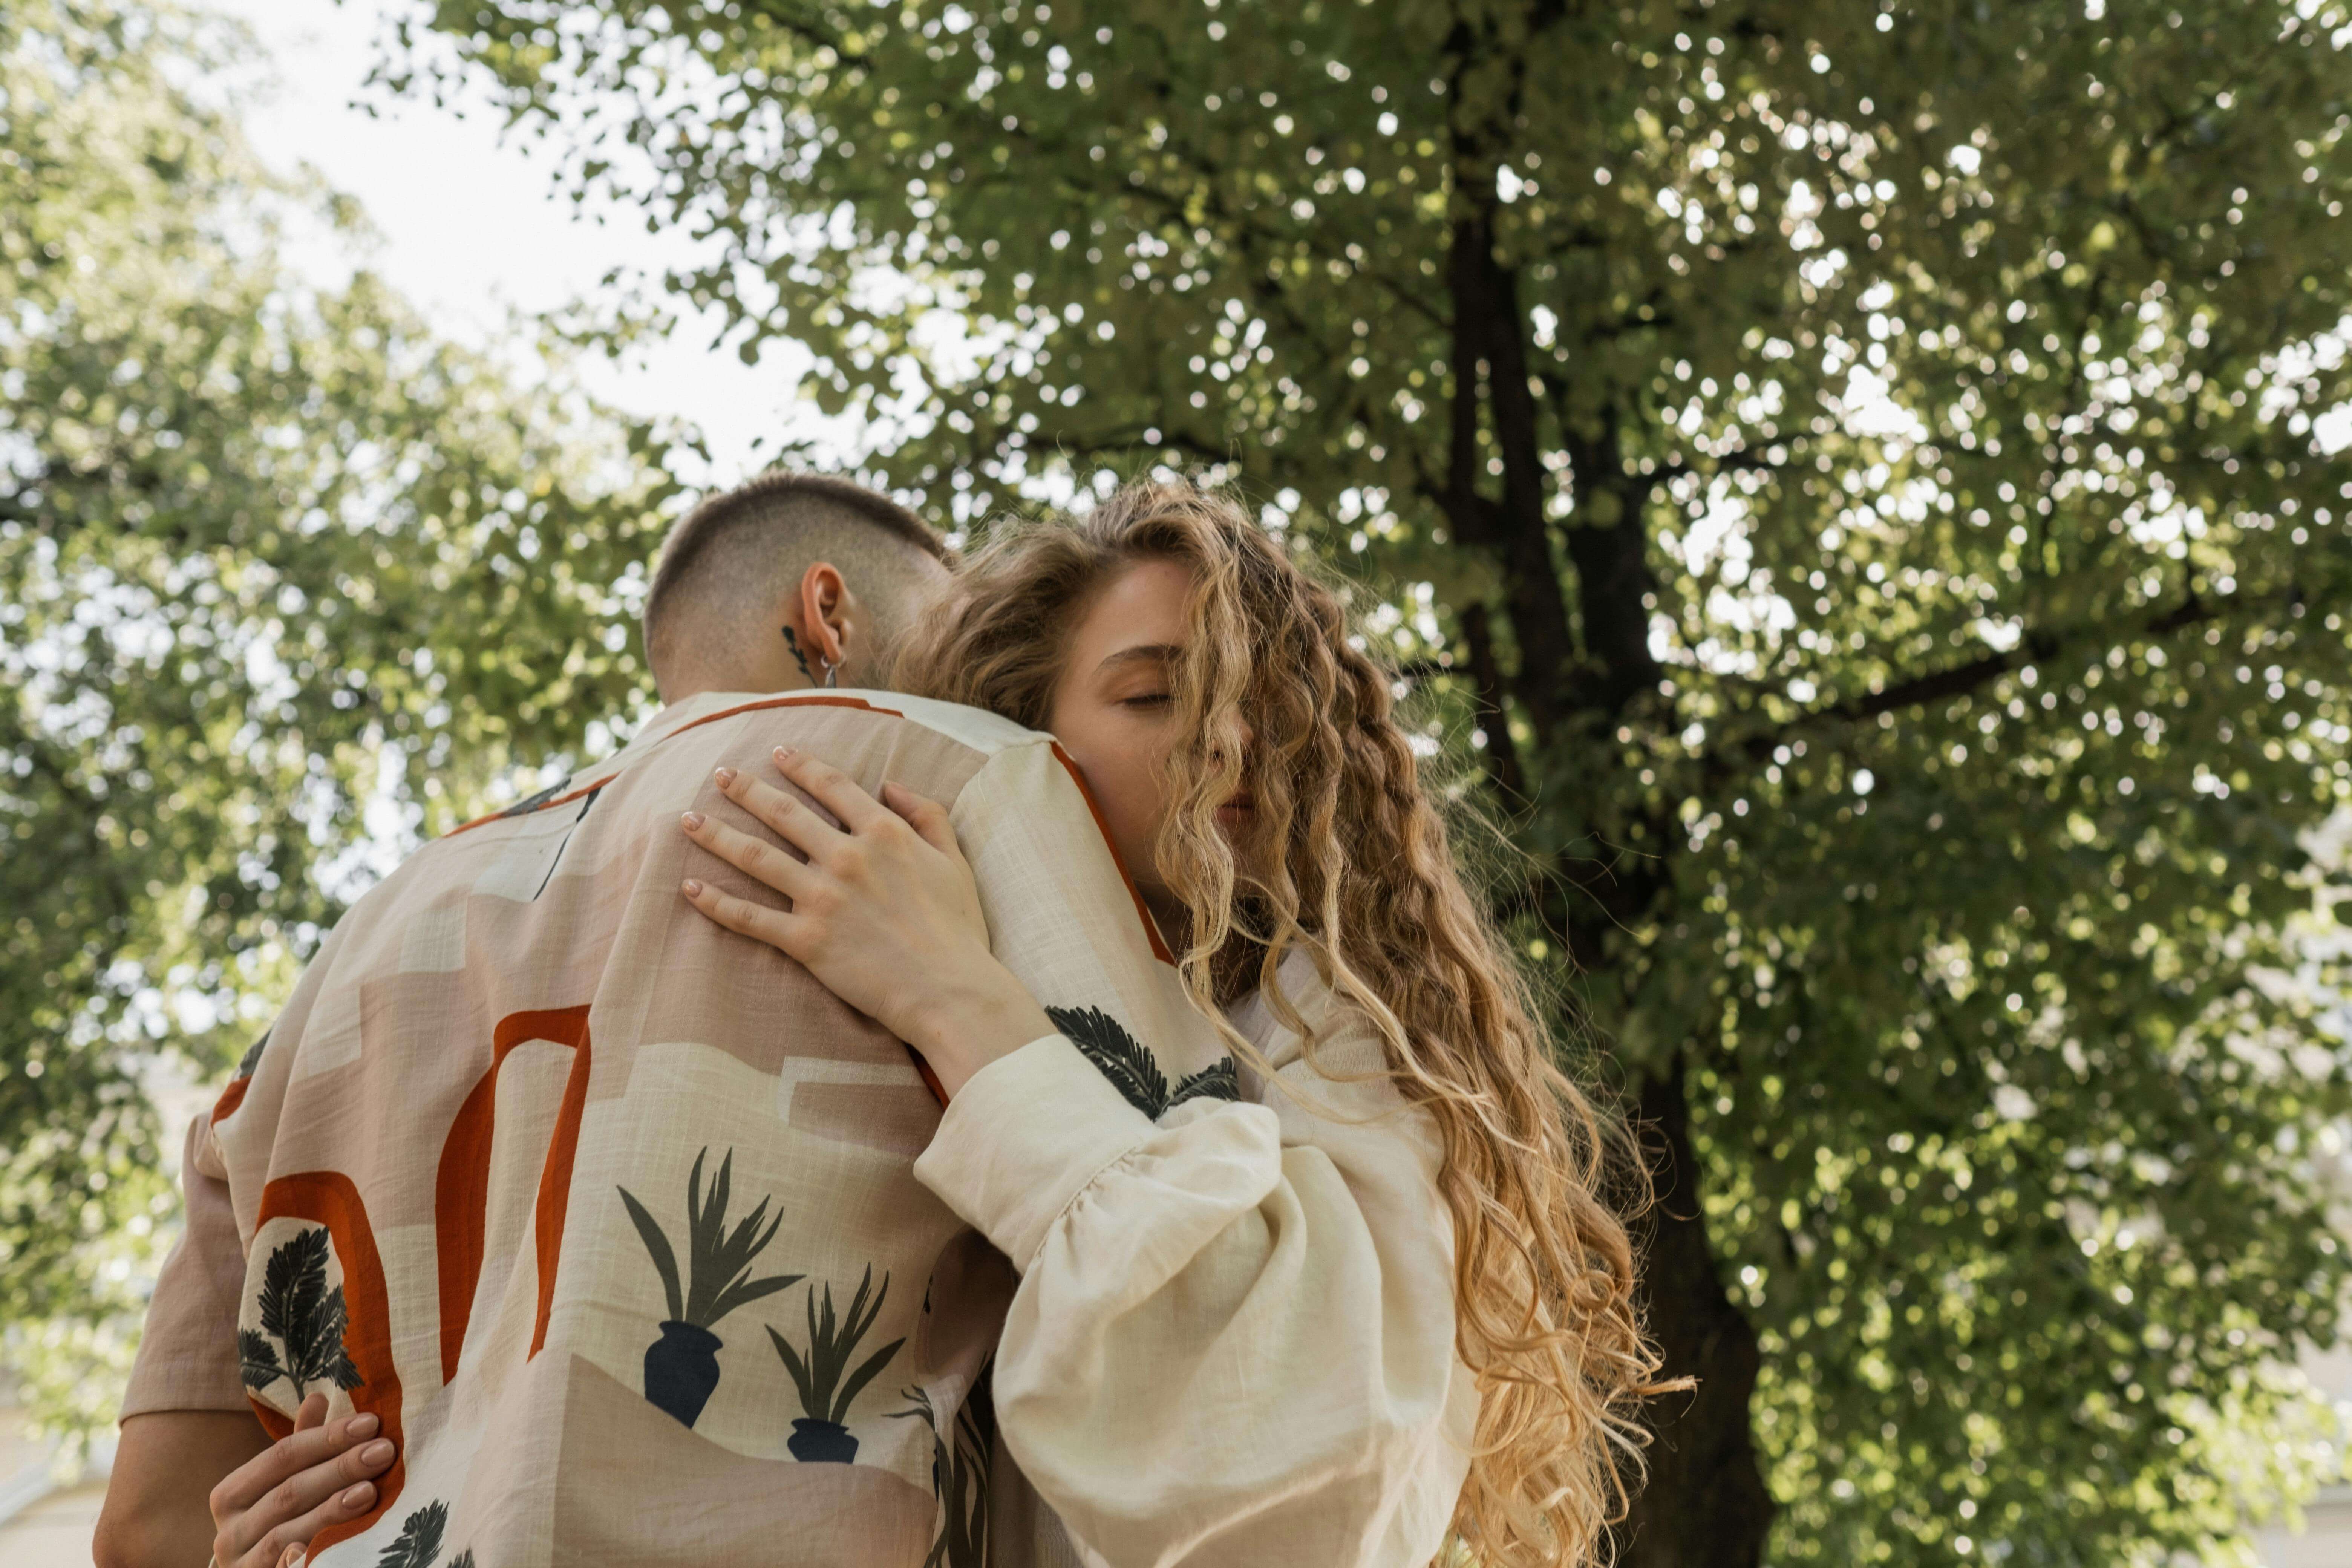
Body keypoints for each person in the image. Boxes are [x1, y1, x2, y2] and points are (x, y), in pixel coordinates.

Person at [93, 472, 1237, 1568]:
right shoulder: (954, 783)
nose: (984, 680)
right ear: (827, 612)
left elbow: (144, 1533)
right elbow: (1210, 1305)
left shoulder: (360, 941)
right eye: (958, 636)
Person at [678, 481, 1664, 1568]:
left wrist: (957, 1003)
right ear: (1029, 741)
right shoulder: (910, 941)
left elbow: (1294, 1456)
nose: (1231, 738)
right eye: (1153, 697)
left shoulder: (1346, 1030)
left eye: (1271, 702)